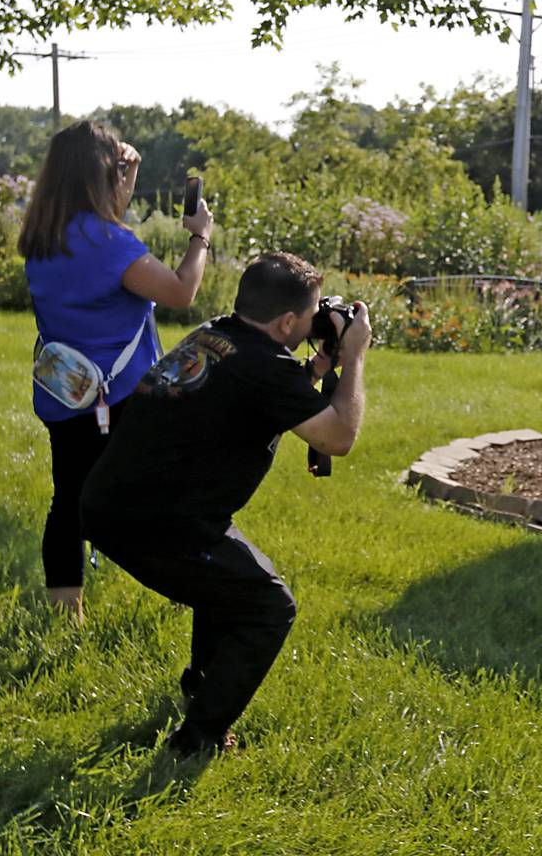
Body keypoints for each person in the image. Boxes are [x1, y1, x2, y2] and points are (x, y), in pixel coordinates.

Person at [79, 252, 370, 757]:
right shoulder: (265, 368)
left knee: (229, 584)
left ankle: (201, 690)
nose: (315, 320)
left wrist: (318, 369)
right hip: (155, 523)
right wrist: (357, 357)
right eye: (311, 314)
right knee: (267, 607)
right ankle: (196, 740)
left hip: (117, 501)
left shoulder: (218, 333)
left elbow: (254, 390)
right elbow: (339, 437)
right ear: (285, 322)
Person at [19, 120, 215, 620]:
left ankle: (66, 612)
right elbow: (180, 292)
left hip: (65, 391)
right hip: (121, 396)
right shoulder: (109, 241)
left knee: (70, 498)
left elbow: (98, 250)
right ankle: (191, 587)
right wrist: (201, 239)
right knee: (167, 490)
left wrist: (119, 183)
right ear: (102, 176)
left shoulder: (43, 235)